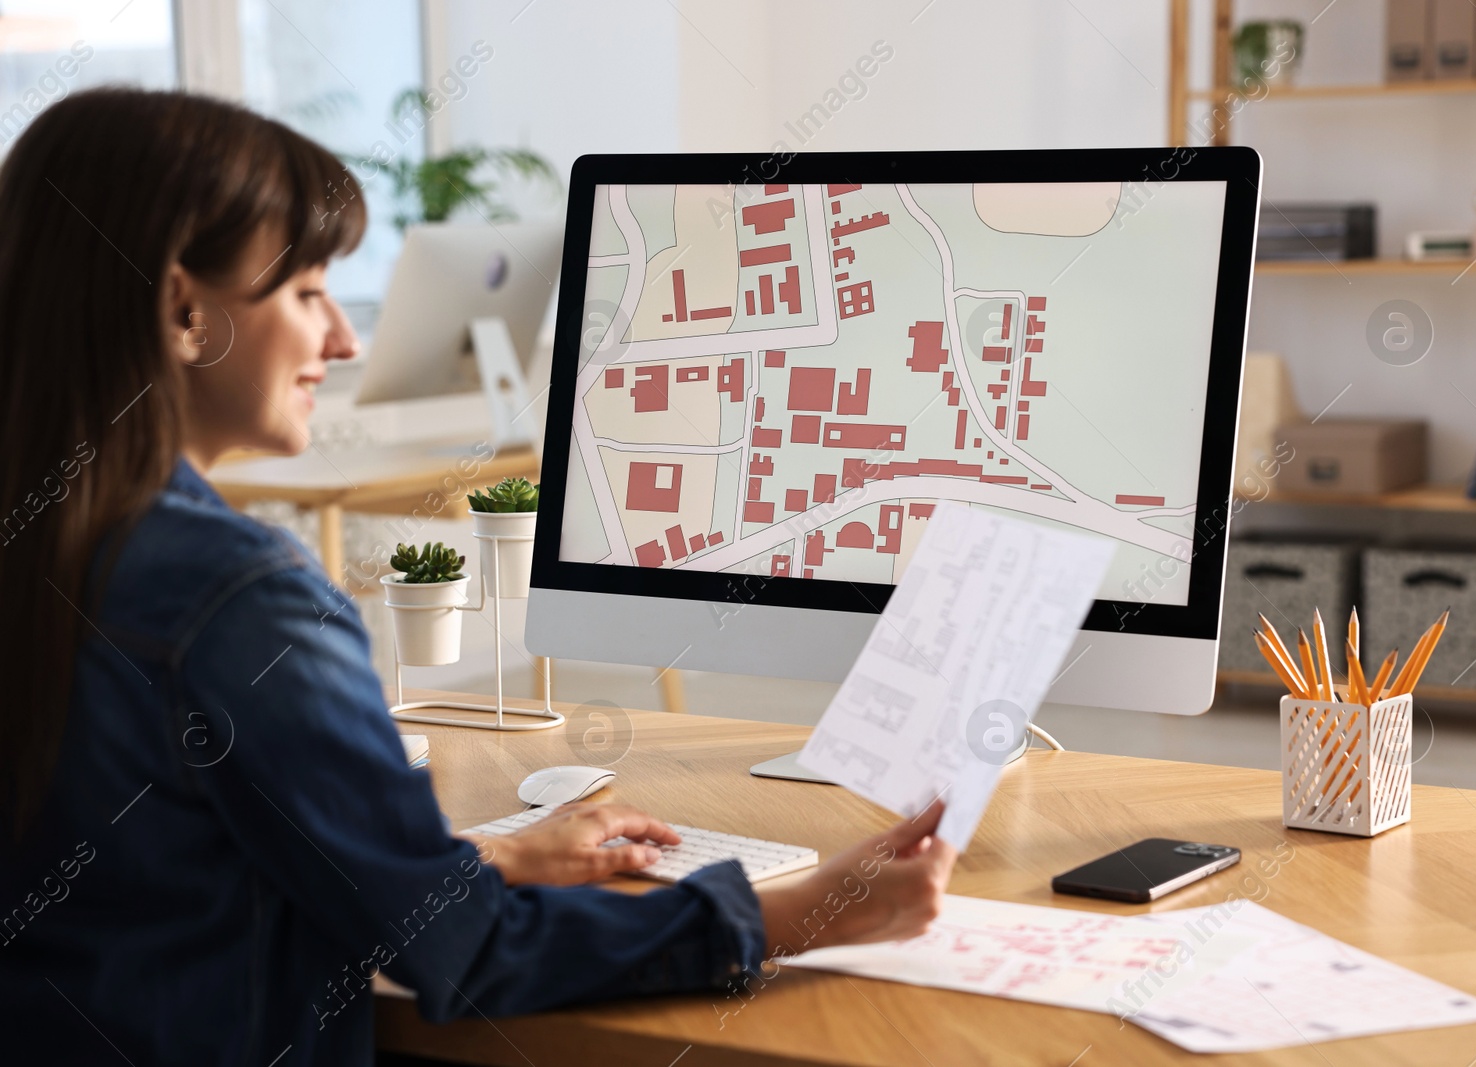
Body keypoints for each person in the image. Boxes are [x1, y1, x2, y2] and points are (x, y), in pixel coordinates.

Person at [0, 89, 955, 1066]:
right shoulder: (240, 600)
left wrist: (478, 860)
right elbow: (470, 957)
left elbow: (155, 886)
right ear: (182, 307)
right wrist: (787, 909)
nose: (343, 338)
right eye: (304, 290)